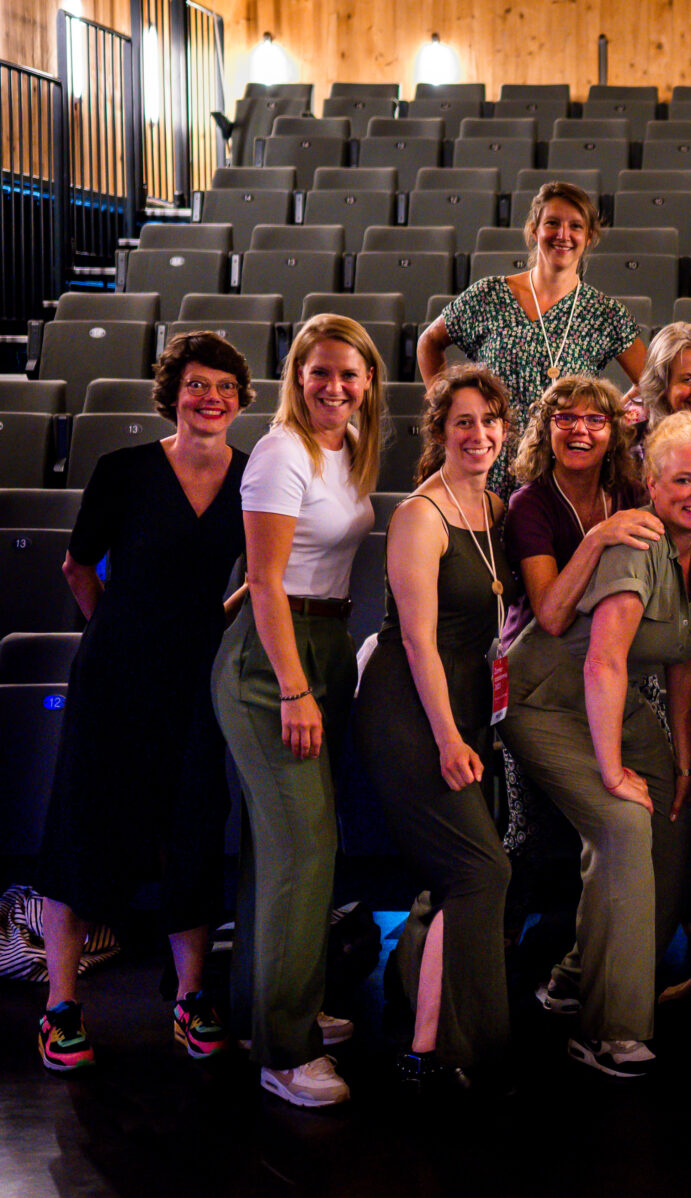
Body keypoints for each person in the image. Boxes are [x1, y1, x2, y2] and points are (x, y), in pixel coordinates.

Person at [33, 332, 251, 1074]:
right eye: (197, 384)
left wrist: (208, 624)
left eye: (224, 386)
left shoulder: (250, 477)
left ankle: (190, 998)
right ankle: (62, 1006)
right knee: (83, 824)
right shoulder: (123, 469)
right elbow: (76, 566)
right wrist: (122, 633)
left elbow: (263, 574)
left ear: (241, 400)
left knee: (194, 825)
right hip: (115, 672)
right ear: (173, 394)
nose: (210, 397)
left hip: (198, 676)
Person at [501, 414, 691, 1079]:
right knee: (624, 823)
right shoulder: (635, 545)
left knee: (678, 817)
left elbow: (684, 659)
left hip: (610, 700)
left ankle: (578, 979)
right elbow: (602, 661)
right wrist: (611, 772)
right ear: (650, 485)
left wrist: (682, 762)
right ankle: (608, 1029)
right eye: (682, 480)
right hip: (543, 699)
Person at [213, 314, 383, 1109]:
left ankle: (266, 1011)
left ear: (369, 382)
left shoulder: (351, 447)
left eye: (349, 373)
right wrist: (292, 686)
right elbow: (266, 580)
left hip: (325, 643)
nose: (334, 386)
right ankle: (285, 1052)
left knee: (277, 849)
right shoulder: (282, 451)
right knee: (305, 846)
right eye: (320, 372)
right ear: (298, 377)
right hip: (273, 660)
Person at [353, 365, 516, 1092]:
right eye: (463, 422)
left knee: (467, 874)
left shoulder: (497, 510)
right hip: (412, 711)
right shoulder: (422, 514)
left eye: (490, 421)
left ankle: (441, 1040)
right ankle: (432, 1049)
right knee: (479, 869)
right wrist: (449, 738)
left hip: (466, 705)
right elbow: (418, 642)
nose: (478, 434)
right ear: (440, 432)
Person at [501, 374, 661, 1015]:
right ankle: (507, 975)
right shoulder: (529, 503)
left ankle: (583, 970)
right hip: (535, 680)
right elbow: (552, 613)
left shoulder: (628, 490)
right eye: (565, 418)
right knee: (538, 836)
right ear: (547, 429)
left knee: (656, 814)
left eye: (596, 419)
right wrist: (599, 537)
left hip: (606, 676)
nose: (580, 430)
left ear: (614, 430)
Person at [417, 181, 647, 490]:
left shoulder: (605, 313)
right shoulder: (489, 295)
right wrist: (447, 408)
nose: (563, 235)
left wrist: (607, 417)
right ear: (534, 229)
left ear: (589, 237)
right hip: (489, 464)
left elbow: (651, 384)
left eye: (575, 226)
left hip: (561, 472)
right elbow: (429, 343)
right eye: (552, 223)